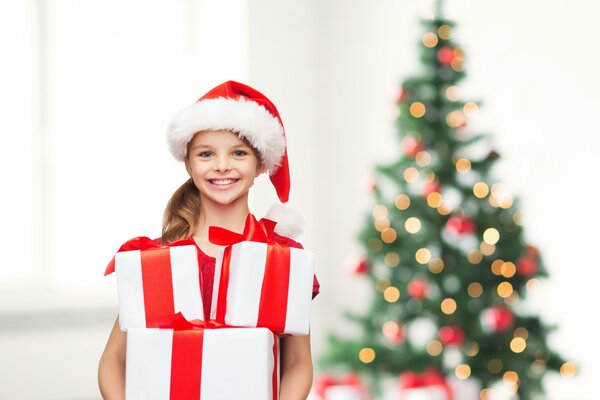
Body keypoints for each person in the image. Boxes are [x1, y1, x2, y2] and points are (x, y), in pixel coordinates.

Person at [98, 81, 320, 399]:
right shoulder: (158, 260)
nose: (221, 166)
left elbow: (298, 362)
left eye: (238, 153)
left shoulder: (281, 259)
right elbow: (113, 360)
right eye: (206, 154)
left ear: (260, 164)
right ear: (188, 163)